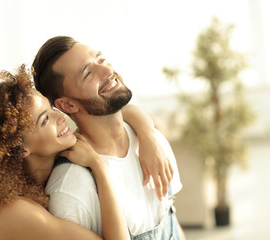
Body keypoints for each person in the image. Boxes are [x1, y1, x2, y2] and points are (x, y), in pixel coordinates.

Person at [0, 64, 164, 240]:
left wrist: (147, 135)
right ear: (21, 149)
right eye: (45, 119)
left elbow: (118, 113)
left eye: (51, 108)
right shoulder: (15, 212)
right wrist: (99, 167)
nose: (60, 116)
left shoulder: (56, 158)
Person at [32, 36, 186, 239]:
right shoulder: (71, 188)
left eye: (101, 59)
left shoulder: (153, 143)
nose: (107, 71)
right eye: (88, 74)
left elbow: (174, 226)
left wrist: (147, 133)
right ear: (67, 106)